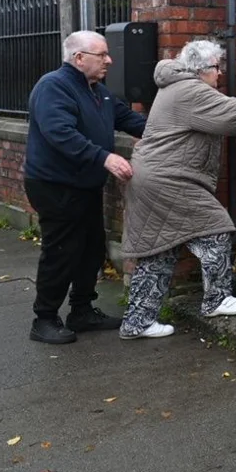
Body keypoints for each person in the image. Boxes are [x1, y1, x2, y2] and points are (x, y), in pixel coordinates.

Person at [119, 39, 236, 339]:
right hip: (169, 179)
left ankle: (137, 321)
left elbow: (226, 106)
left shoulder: (178, 87)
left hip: (153, 177)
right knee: (215, 230)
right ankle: (217, 299)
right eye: (217, 68)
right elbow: (228, 115)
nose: (219, 74)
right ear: (203, 69)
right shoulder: (189, 91)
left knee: (160, 251)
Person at [23, 30, 148, 344]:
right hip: (54, 185)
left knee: (91, 247)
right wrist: (104, 158)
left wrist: (175, 127)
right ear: (79, 58)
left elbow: (134, 122)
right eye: (102, 54)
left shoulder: (99, 92)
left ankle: (82, 311)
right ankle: (45, 318)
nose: (109, 59)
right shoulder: (53, 86)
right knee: (62, 250)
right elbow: (60, 133)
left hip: (85, 185)